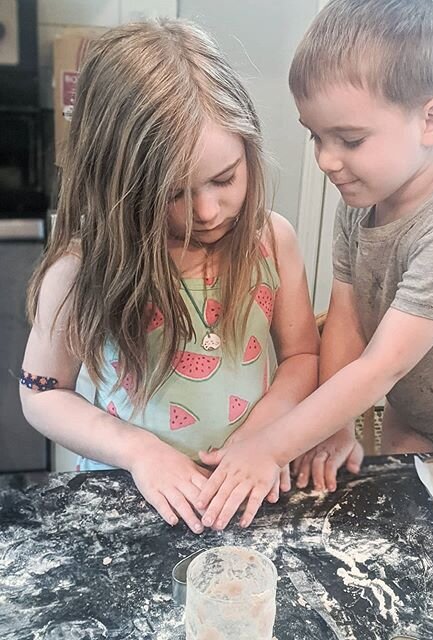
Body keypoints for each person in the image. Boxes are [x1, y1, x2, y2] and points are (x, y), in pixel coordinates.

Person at [194, 0, 433, 531]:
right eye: (316, 136)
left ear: (431, 121)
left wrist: (268, 448)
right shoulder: (360, 199)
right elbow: (347, 319)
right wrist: (336, 428)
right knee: (405, 527)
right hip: (417, 410)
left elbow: (382, 366)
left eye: (350, 140)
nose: (326, 160)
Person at [19, 19, 319, 535]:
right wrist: (139, 451)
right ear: (116, 182)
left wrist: (262, 440)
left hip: (250, 490)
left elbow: (302, 357)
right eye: (173, 193)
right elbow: (41, 393)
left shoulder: (272, 242)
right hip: (129, 503)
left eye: (224, 178)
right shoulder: (82, 270)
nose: (207, 210)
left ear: (248, 148)